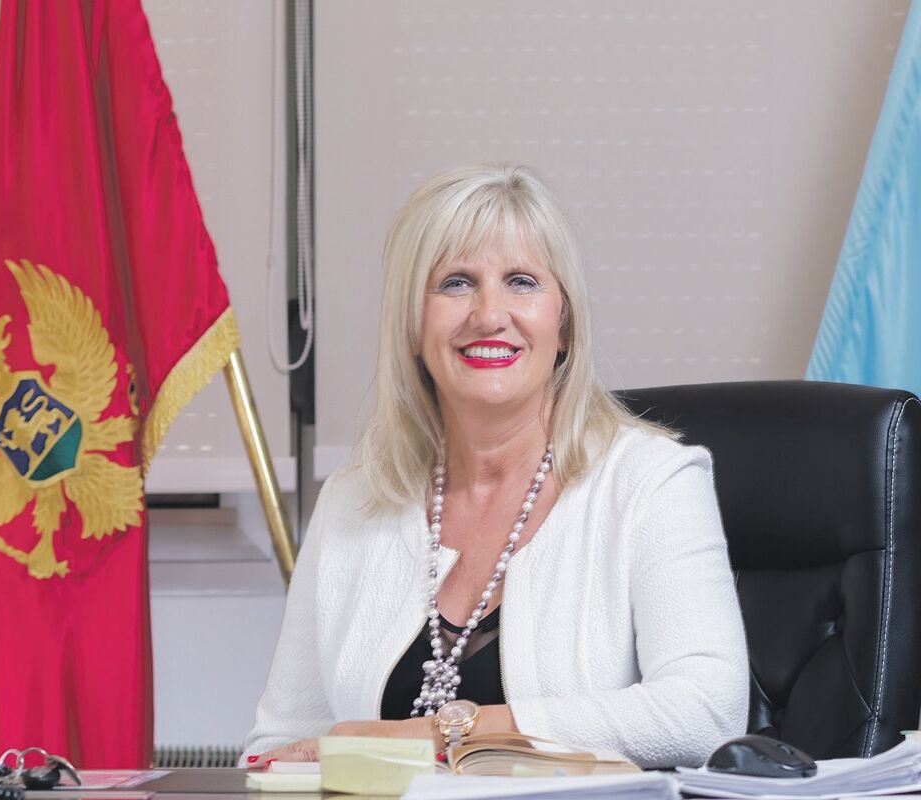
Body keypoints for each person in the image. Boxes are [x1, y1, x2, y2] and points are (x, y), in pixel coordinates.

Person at [243, 164, 748, 769]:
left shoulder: (651, 483)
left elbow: (705, 713)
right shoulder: (352, 502)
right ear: (413, 326)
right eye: (456, 283)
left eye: (521, 282)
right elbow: (278, 748)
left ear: (563, 324)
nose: (488, 314)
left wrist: (448, 733)